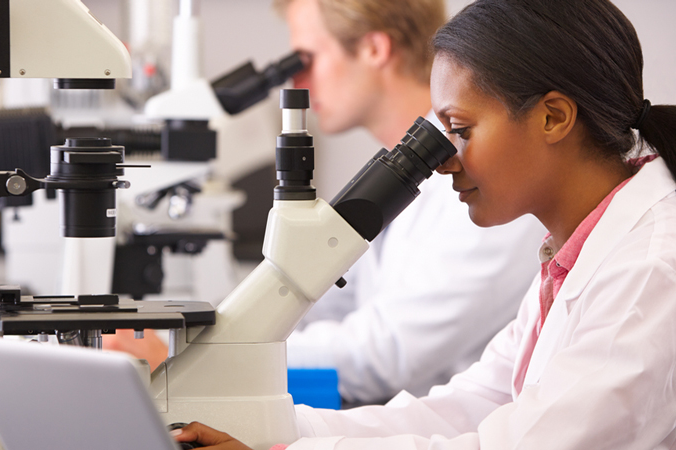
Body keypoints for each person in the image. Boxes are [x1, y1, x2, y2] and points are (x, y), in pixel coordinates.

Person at [172, 0, 676, 447]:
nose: (443, 162)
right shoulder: (575, 250)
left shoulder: (647, 270)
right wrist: (278, 433)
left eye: (460, 130)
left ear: (552, 117)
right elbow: (478, 401)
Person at [278, 0, 545, 403]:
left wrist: (221, 358)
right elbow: (321, 302)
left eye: (307, 58)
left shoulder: (489, 178)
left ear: (374, 48)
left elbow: (388, 353)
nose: (297, 79)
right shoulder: (394, 174)